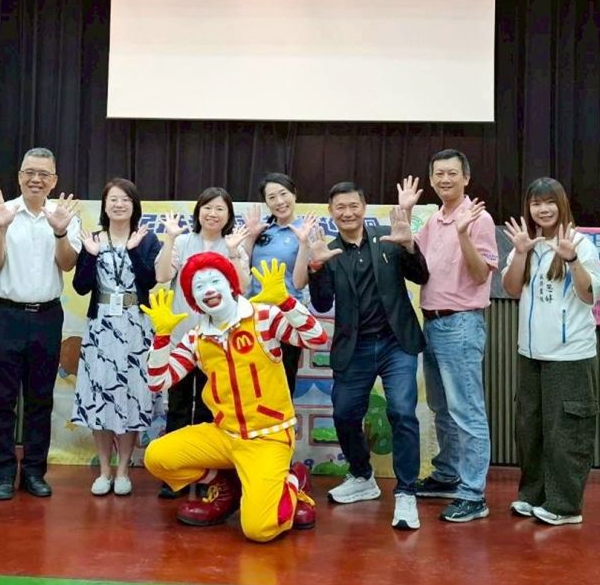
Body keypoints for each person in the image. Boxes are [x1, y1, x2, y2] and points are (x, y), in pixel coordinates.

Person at [141, 255, 326, 541]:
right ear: (193, 299)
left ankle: (293, 480)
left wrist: (286, 302)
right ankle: (226, 485)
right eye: (198, 286)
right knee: (157, 457)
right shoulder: (196, 338)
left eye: (215, 281)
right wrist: (162, 336)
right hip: (224, 435)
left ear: (230, 284)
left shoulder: (263, 317)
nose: (208, 290)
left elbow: (317, 339)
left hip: (267, 436)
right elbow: (158, 381)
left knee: (259, 530)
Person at [300, 182, 429, 531]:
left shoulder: (389, 237)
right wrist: (316, 267)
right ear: (331, 212)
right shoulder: (328, 250)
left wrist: (409, 245)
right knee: (344, 413)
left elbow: (421, 275)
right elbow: (322, 303)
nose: (348, 213)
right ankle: (362, 476)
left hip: (395, 342)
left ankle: (406, 492)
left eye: (353, 205)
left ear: (364, 206)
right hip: (354, 347)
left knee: (402, 412)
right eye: (340, 207)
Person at [400, 149, 498, 523]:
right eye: (438, 173)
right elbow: (413, 260)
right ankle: (447, 474)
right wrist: (405, 211)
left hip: (461, 324)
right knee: (442, 408)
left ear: (466, 178)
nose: (445, 179)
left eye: (452, 173)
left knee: (466, 410)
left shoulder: (479, 218)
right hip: (432, 323)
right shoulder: (433, 220)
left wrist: (463, 235)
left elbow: (480, 275)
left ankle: (473, 493)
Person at [0, 148, 81, 500]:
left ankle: (35, 472)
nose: (36, 179)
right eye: (29, 172)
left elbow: (67, 264)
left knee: (40, 399)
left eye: (44, 174)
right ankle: (3, 473)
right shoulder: (0, 212)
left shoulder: (63, 216)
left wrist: (60, 233)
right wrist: (0, 229)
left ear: (54, 180)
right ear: (19, 175)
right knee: (1, 399)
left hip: (47, 317)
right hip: (4, 315)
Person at [501, 178, 600, 525]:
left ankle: (565, 505)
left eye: (549, 202)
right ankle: (532, 495)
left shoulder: (580, 243)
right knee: (529, 427)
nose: (543, 209)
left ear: (562, 204)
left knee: (567, 431)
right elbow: (511, 289)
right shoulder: (527, 243)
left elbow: (589, 295)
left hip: (570, 354)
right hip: (530, 352)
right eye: (536, 203)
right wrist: (520, 252)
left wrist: (572, 259)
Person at [153, 187, 250, 498]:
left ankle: (211, 477)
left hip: (218, 343)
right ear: (198, 212)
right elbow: (162, 275)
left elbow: (243, 287)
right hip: (183, 340)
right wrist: (169, 239)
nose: (212, 213)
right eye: (207, 207)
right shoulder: (183, 242)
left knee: (211, 409)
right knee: (178, 407)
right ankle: (176, 475)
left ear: (228, 216)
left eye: (220, 209)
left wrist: (233, 252)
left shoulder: (233, 244)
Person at [72, 178, 161, 496]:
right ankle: (104, 470)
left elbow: (150, 281)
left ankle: (123, 470)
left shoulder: (147, 239)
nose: (119, 204)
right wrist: (90, 255)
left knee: (131, 394)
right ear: (105, 205)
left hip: (135, 325)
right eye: (113, 199)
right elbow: (80, 287)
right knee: (100, 394)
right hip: (101, 328)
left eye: (125, 199)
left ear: (134, 205)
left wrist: (134, 251)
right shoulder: (93, 238)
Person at [243, 173, 313, 394]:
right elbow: (242, 270)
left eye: (283, 194)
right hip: (254, 317)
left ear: (294, 194)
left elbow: (299, 283)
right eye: (272, 197)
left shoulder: (307, 229)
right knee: (252, 383)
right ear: (266, 202)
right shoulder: (263, 230)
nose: (279, 201)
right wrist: (250, 236)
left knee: (282, 383)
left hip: (287, 318)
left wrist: (304, 243)